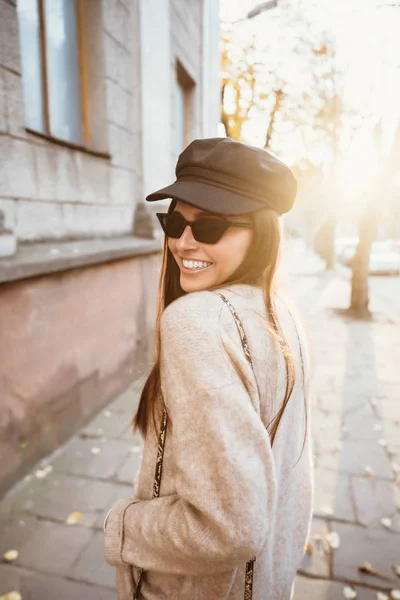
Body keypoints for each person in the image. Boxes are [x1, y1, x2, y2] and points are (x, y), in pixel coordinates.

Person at [104, 137, 313, 600]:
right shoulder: (282, 314)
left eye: (212, 226)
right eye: (174, 220)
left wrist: (121, 526)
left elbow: (228, 526)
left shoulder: (195, 321)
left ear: (261, 233)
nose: (183, 242)